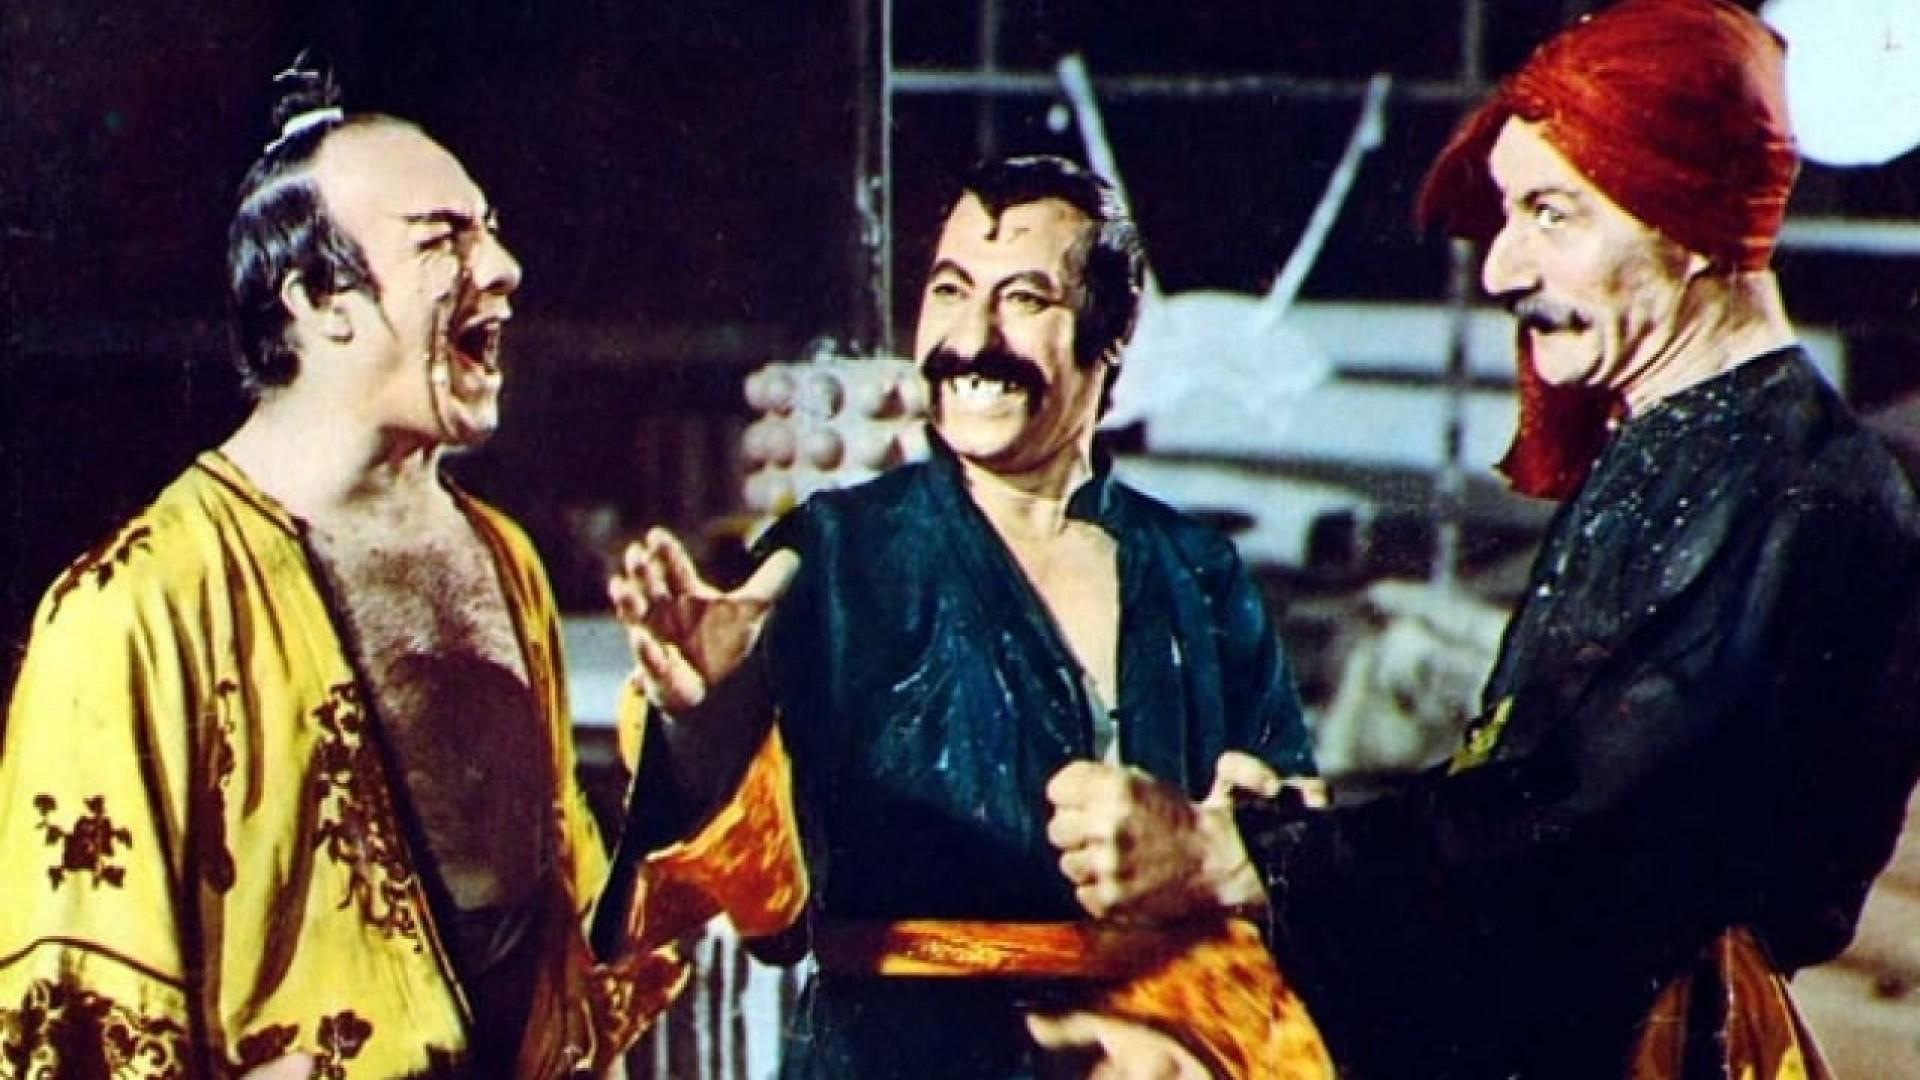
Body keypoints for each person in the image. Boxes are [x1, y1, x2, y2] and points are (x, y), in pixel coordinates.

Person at [1041, 1, 1920, 1076]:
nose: (1502, 267)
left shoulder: (1794, 487)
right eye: (1511, 214)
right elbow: (1536, 797)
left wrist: (1247, 857)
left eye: (1552, 214)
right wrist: (1310, 839)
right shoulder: (1694, 447)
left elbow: (1590, 834)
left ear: (1686, 222)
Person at [0, 64, 792, 1077]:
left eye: (489, 230)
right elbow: (63, 1034)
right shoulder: (134, 611)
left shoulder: (503, 561)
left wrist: (699, 730)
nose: (502, 266)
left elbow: (581, 962)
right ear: (317, 299)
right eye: (441, 239)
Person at [612, 155, 1328, 1078]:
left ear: (1113, 331)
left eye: (1024, 299)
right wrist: (707, 712)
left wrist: (1237, 844)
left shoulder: (1199, 572)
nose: (972, 339)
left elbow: (1297, 857)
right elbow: (760, 913)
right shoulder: (833, 555)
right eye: (950, 292)